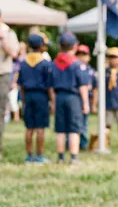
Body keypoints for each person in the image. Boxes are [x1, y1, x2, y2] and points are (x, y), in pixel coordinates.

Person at [51, 32, 89, 164]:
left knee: (60, 129)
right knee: (74, 129)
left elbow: (51, 86)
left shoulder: (55, 63)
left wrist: (54, 102)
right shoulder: (77, 64)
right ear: (75, 46)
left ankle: (60, 157)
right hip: (73, 98)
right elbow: (82, 86)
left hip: (59, 96)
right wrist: (85, 103)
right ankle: (74, 157)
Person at [18, 34, 54, 163]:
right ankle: (39, 156)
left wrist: (23, 99)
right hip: (41, 97)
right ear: (41, 46)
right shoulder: (45, 64)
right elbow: (49, 86)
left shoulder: (23, 63)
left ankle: (29, 156)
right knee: (40, 128)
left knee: (29, 128)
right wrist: (53, 101)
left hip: (28, 95)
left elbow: (20, 84)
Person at [0, 6, 20, 161]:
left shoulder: (8, 34)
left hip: (1, 76)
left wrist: (2, 38)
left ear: (0, 18)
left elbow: (14, 53)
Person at [75, 45, 97, 150]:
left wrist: (93, 104)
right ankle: (70, 142)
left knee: (84, 123)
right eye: (79, 55)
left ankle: (83, 143)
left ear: (88, 57)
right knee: (73, 122)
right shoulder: (73, 68)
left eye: (84, 55)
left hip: (87, 99)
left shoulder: (91, 71)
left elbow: (95, 89)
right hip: (75, 99)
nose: (81, 57)